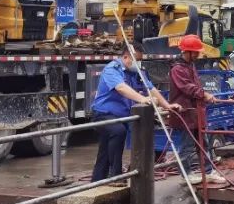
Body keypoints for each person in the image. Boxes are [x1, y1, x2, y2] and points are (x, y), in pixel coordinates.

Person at [90, 44, 171, 182]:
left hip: (121, 116)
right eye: (135, 59)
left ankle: (97, 180)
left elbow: (150, 88)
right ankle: (116, 176)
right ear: (126, 57)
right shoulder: (112, 69)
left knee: (105, 148)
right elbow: (121, 88)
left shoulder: (136, 72)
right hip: (103, 113)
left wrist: (168, 106)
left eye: (139, 60)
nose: (137, 63)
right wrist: (142, 99)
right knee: (118, 132)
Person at [166, 34, 226, 185]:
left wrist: (203, 96)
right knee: (187, 145)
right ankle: (186, 174)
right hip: (186, 113)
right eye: (196, 52)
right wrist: (204, 94)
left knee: (203, 142)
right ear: (188, 52)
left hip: (196, 111)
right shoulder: (177, 69)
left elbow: (194, 86)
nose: (199, 55)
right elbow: (187, 88)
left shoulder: (189, 66)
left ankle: (208, 171)